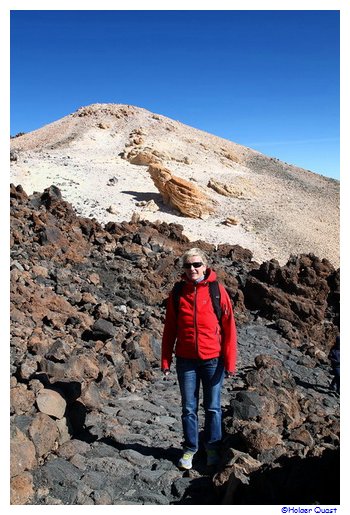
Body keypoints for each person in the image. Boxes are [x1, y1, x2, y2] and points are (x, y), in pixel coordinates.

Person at [161, 248, 237, 470]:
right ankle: (190, 448)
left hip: (213, 359)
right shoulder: (178, 293)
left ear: (205, 266)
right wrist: (166, 359)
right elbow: (170, 329)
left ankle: (212, 448)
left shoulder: (217, 291)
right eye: (188, 265)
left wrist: (230, 361)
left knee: (213, 407)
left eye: (196, 265)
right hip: (186, 360)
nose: (192, 269)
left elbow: (229, 327)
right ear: (183, 269)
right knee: (188, 407)